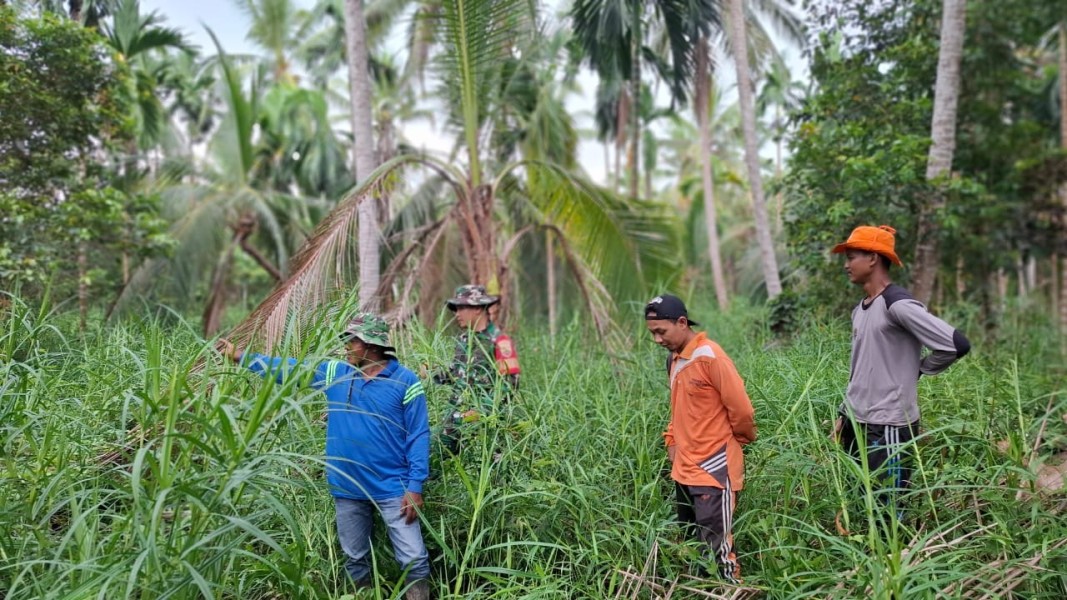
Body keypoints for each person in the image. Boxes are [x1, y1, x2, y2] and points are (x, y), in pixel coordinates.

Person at [217, 314, 431, 600]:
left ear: (372, 345)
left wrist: (415, 486)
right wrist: (241, 357)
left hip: (394, 487)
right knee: (355, 558)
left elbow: (418, 435)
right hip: (346, 486)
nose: (346, 346)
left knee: (414, 559)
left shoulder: (406, 382)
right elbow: (288, 370)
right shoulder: (335, 373)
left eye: (352, 340)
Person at [830, 225, 970, 510]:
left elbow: (956, 344)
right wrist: (843, 415)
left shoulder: (898, 305)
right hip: (857, 423)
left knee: (889, 511)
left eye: (852, 256)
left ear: (873, 258)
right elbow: (861, 369)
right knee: (863, 506)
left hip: (889, 426)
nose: (846, 265)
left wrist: (918, 370)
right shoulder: (860, 309)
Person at [645, 294, 756, 584]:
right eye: (652, 333)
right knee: (694, 548)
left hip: (713, 470)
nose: (657, 340)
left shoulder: (710, 356)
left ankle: (733, 590)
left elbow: (741, 409)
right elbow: (678, 409)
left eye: (661, 332)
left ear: (682, 323)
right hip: (683, 470)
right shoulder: (674, 360)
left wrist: (739, 442)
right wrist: (672, 444)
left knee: (718, 547)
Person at [434, 284, 520, 455]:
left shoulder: (499, 341)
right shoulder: (463, 340)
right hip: (454, 418)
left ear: (478, 309)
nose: (456, 314)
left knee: (485, 471)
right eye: (455, 309)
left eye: (461, 308)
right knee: (436, 461)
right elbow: (456, 374)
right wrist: (433, 374)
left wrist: (480, 412)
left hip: (485, 422)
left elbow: (511, 384)